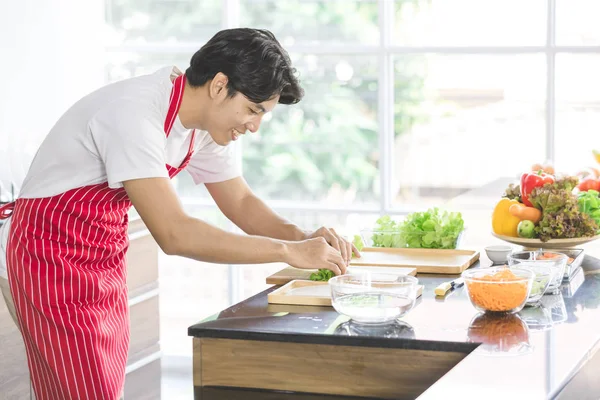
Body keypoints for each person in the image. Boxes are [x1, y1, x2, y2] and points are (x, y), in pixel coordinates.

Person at [0, 28, 360, 400]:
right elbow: (175, 234)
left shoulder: (203, 127)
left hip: (101, 255)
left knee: (96, 388)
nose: (254, 126)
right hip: (48, 253)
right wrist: (286, 252)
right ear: (220, 86)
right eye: (253, 110)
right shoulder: (134, 114)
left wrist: (303, 238)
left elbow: (240, 203)